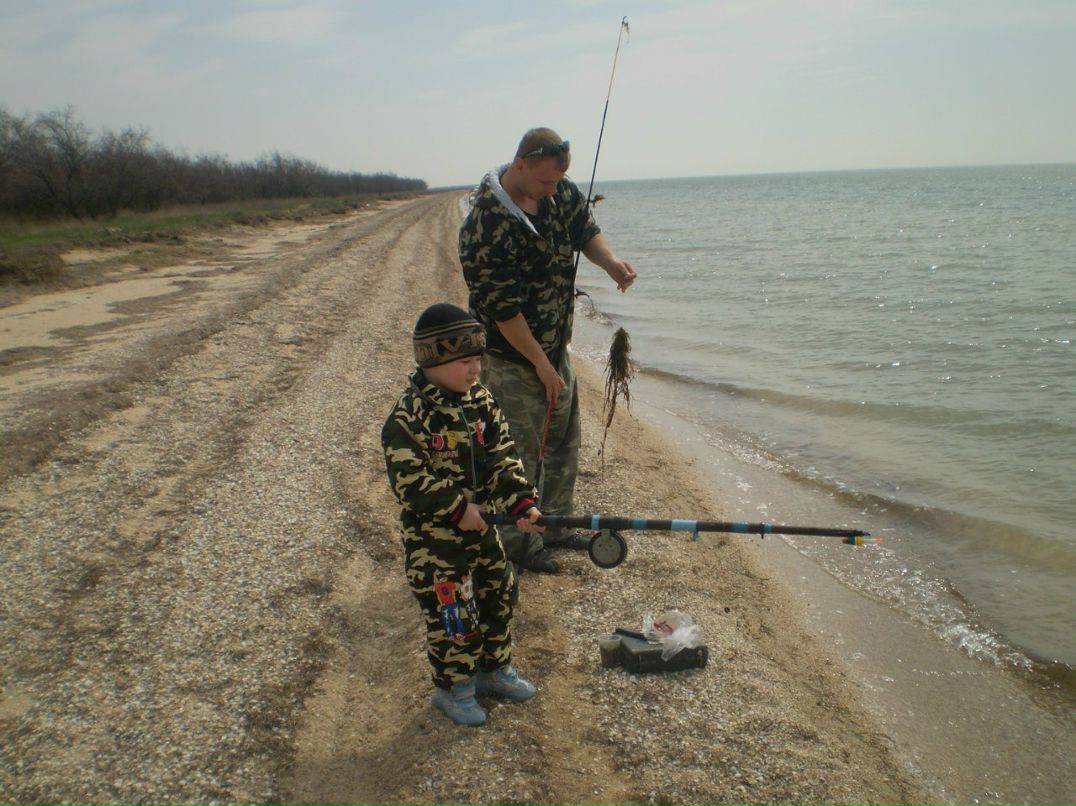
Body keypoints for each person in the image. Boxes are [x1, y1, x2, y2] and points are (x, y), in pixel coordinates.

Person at [459, 127, 637, 574]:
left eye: (558, 182)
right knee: (516, 455)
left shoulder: (559, 193)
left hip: (556, 351)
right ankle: (517, 547)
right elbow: (503, 311)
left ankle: (556, 526)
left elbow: (586, 230)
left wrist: (611, 261)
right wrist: (540, 364)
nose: (553, 190)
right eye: (545, 183)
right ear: (520, 165)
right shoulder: (485, 222)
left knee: (560, 443)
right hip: (511, 357)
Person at [382, 302, 544, 727]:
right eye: (465, 362)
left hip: (483, 532)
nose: (475, 370)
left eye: (478, 360)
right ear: (432, 361)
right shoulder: (409, 416)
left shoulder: (481, 402)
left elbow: (502, 457)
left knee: (499, 594)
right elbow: (409, 482)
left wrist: (520, 502)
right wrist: (456, 509)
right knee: (453, 615)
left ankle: (494, 670)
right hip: (434, 544)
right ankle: (455, 690)